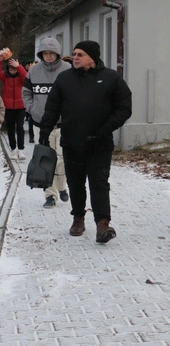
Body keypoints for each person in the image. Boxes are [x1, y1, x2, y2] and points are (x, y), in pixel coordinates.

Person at [38, 41, 132, 243]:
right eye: (74, 54)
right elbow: (52, 108)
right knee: (76, 183)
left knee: (99, 183)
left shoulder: (111, 78)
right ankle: (78, 218)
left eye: (80, 54)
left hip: (100, 143)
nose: (76, 57)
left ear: (93, 57)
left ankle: (102, 224)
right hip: (72, 141)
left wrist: (105, 129)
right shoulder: (64, 79)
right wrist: (45, 130)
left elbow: (124, 107)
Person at [22, 37, 72, 208]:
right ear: (41, 54)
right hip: (40, 123)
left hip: (63, 124)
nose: (48, 56)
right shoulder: (34, 72)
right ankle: (50, 195)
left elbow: (75, 93)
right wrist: (32, 108)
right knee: (45, 159)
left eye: (51, 53)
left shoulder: (68, 70)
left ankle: (62, 186)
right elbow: (26, 93)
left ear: (57, 53)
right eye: (45, 53)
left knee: (61, 159)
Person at [0, 50, 27, 160]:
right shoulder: (5, 76)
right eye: (11, 69)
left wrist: (19, 67)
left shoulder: (21, 76)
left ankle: (21, 149)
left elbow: (26, 77)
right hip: (8, 107)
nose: (12, 71)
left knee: (20, 128)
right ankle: (13, 149)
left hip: (20, 106)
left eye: (14, 69)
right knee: (10, 128)